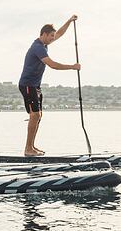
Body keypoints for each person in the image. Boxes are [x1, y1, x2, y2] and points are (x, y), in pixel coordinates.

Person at [18, 15, 80, 156]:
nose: (53, 38)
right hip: (27, 85)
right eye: (51, 36)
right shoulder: (38, 47)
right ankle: (28, 149)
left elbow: (60, 33)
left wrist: (69, 21)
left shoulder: (44, 44)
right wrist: (72, 66)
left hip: (35, 86)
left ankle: (31, 147)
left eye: (53, 36)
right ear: (44, 34)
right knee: (35, 115)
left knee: (38, 116)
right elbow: (53, 65)